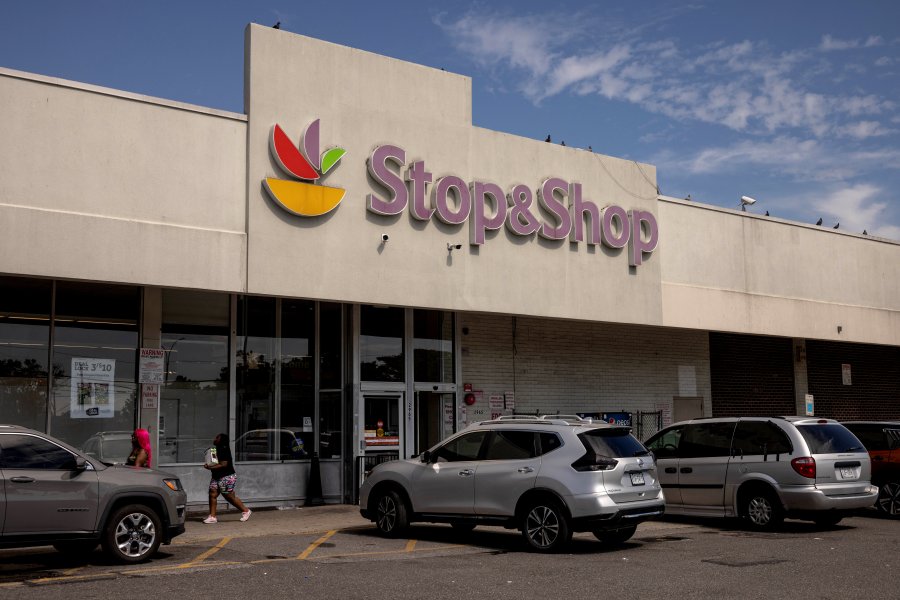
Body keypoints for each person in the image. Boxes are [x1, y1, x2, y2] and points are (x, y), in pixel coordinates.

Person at [203, 432, 251, 524]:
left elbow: (223, 464)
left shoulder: (224, 449)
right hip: (216, 476)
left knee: (229, 496)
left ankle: (246, 511)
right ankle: (212, 517)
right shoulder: (214, 449)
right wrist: (208, 464)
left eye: (217, 437)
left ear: (221, 440)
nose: (214, 439)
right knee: (212, 494)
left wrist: (210, 467)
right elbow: (214, 463)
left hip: (226, 476)